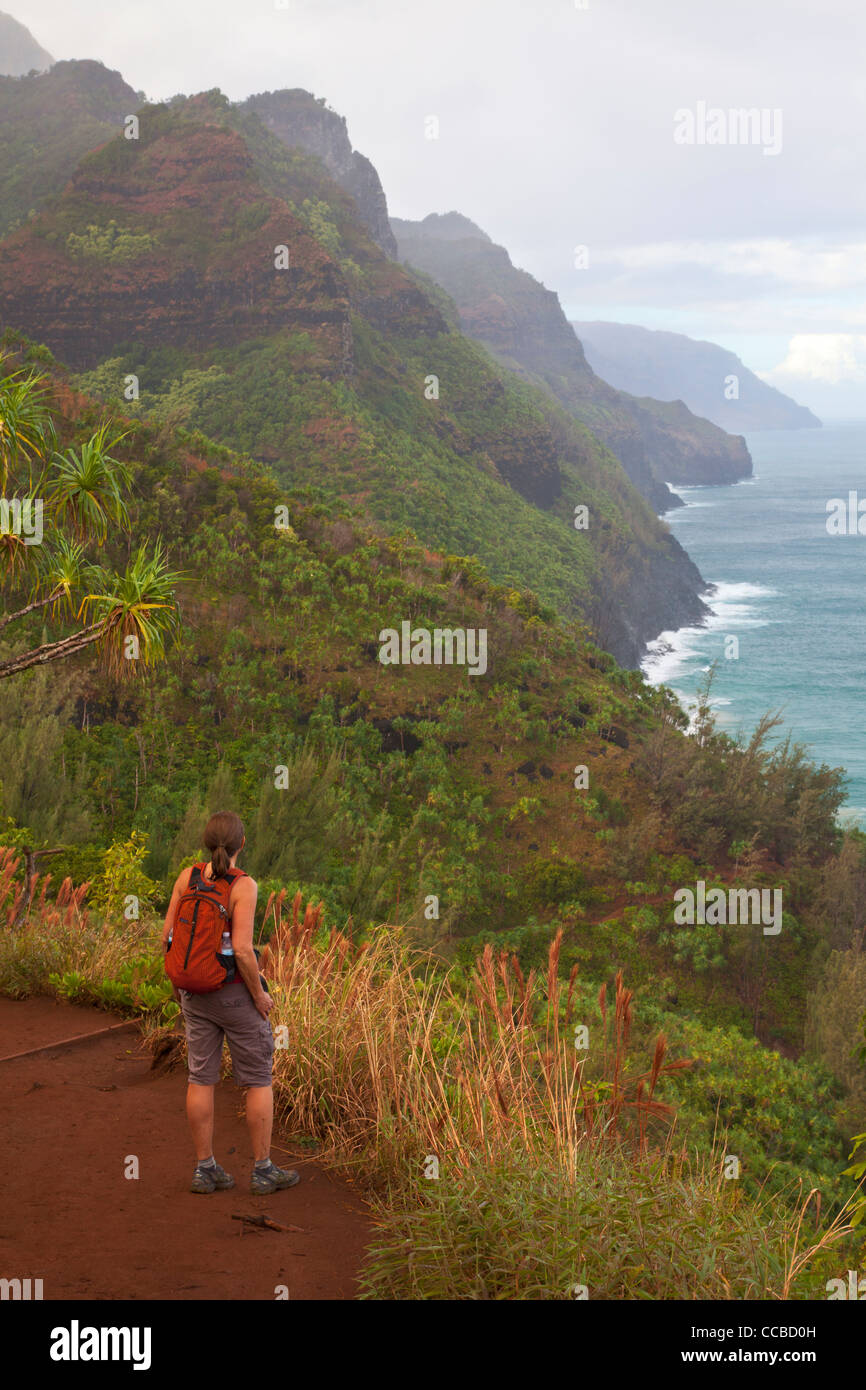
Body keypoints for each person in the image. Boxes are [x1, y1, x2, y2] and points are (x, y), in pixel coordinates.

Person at [161, 810, 300, 1197]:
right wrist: (259, 996)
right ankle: (263, 1171)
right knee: (258, 1077)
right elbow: (241, 949)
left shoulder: (187, 878)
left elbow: (167, 938)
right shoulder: (243, 886)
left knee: (200, 1077)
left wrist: (179, 985)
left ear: (207, 843)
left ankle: (205, 1170)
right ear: (242, 845)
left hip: (194, 995)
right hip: (234, 994)